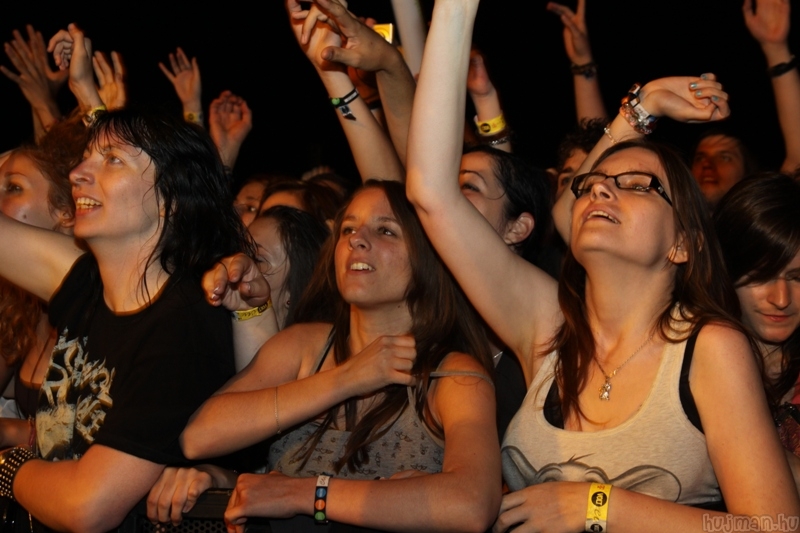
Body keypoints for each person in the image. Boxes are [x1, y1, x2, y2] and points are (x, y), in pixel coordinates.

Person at [405, 0, 799, 531]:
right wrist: (455, 10)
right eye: (592, 186)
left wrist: (598, 506)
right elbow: (430, 191)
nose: (601, 191)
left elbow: (776, 525)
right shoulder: (546, 327)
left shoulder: (709, 348)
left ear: (683, 243)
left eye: (637, 186)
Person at [0, 23, 256, 532]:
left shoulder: (183, 326)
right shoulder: (85, 283)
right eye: (85, 159)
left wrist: (8, 468)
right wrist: (83, 92)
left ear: (170, 201)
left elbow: (89, 506)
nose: (77, 173)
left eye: (110, 161)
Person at [150, 180, 501, 531]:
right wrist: (347, 378)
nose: (356, 240)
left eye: (386, 231)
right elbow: (199, 436)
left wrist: (304, 494)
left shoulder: (451, 376)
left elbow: (472, 504)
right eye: (348, 229)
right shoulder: (304, 347)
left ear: (429, 256)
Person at [714, 174, 800, 485]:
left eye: (798, 278)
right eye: (761, 276)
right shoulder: (687, 362)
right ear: (726, 271)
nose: (781, 299)